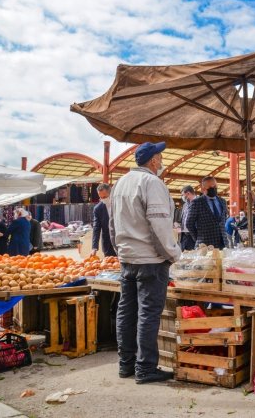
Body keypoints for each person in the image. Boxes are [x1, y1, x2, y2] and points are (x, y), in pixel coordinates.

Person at [108, 141, 181, 384]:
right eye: (160, 157)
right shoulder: (152, 183)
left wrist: (120, 250)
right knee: (148, 314)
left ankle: (125, 364)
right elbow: (159, 224)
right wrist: (172, 254)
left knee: (127, 312)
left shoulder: (120, 183)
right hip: (150, 259)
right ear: (152, 161)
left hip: (127, 258)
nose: (161, 162)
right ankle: (145, 368)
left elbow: (112, 225)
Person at [187, 176, 228, 249]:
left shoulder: (223, 202)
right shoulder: (196, 202)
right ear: (203, 189)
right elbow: (189, 223)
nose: (213, 188)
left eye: (215, 186)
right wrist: (198, 238)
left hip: (223, 243)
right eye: (210, 187)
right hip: (205, 245)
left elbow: (223, 220)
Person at [91, 183, 116, 257]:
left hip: (121, 242)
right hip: (107, 244)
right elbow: (96, 228)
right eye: (101, 197)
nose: (103, 199)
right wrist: (94, 247)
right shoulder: (98, 209)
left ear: (110, 193)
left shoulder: (119, 203)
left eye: (105, 197)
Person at [179, 185, 197, 251]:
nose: (182, 197)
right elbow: (183, 218)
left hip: (194, 236)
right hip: (184, 236)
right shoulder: (185, 205)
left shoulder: (199, 202)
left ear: (188, 193)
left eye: (183, 195)